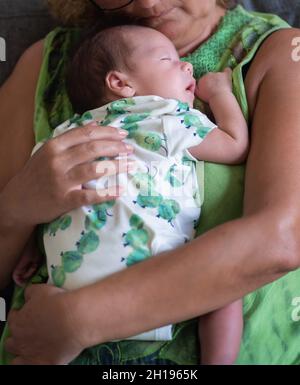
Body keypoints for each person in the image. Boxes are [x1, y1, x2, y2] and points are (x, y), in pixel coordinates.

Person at [0, 0, 300, 365]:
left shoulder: (283, 52)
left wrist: (77, 320)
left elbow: (282, 237)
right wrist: (14, 212)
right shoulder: (47, 63)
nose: (148, 3)